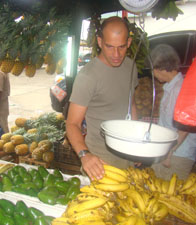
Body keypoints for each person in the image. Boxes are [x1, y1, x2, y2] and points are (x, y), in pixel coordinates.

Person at [66, 16, 138, 180]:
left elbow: (131, 104)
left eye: (121, 47)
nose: (116, 54)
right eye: (109, 46)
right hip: (100, 163)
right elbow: (72, 124)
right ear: (99, 42)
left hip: (128, 157)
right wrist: (85, 155)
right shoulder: (88, 76)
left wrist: (136, 144)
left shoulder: (131, 67)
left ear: (128, 42)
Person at [150, 44, 196, 180]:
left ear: (161, 68)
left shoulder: (181, 90)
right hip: (167, 151)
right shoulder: (171, 87)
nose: (152, 73)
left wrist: (169, 152)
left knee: (169, 196)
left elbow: (185, 128)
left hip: (177, 155)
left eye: (153, 68)